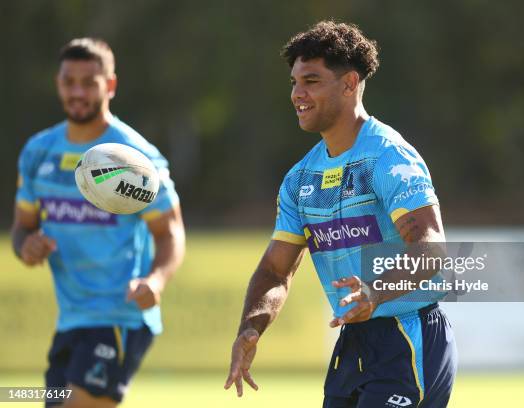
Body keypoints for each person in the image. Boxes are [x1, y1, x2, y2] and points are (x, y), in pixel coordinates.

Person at [225, 21, 457, 407]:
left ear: (349, 83)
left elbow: (431, 248)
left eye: (312, 81)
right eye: (294, 82)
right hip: (353, 344)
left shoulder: (388, 157)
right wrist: (251, 328)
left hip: (407, 337)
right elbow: (275, 271)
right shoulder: (300, 178)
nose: (298, 94)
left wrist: (374, 292)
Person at [11, 38, 185, 408]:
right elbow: (21, 227)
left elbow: (170, 233)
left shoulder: (137, 159)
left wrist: (155, 280)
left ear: (110, 85)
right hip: (70, 319)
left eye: (89, 82)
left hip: (120, 315)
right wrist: (27, 246)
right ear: (57, 83)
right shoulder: (37, 152)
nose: (77, 92)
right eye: (68, 81)